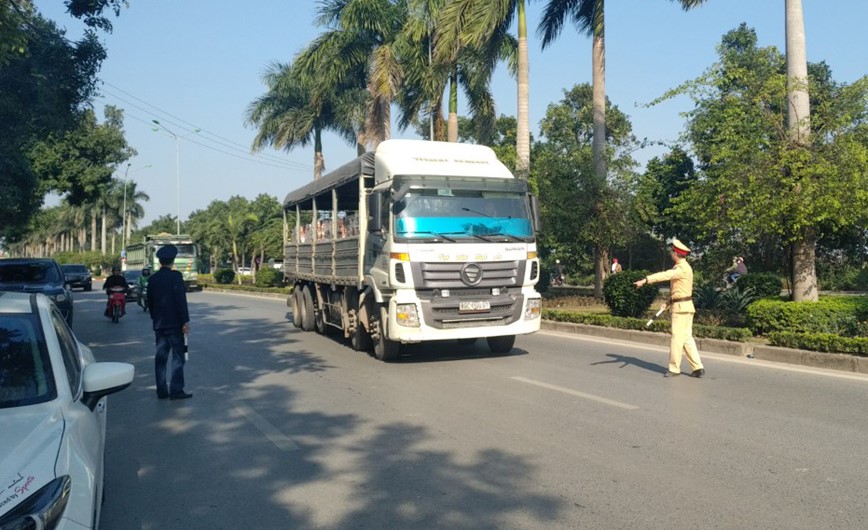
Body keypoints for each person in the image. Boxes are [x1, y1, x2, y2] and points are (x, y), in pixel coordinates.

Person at [633, 238, 705, 378]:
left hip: (681, 308)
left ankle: (674, 368)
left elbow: (664, 275)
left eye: (673, 252)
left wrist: (645, 280)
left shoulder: (681, 269)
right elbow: (679, 291)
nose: (671, 254)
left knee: (677, 338)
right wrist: (667, 302)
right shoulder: (684, 267)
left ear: (676, 254)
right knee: (686, 338)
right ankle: (698, 367)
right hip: (684, 306)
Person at [147, 245, 192, 400]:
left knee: (160, 359)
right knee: (178, 357)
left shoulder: (153, 279)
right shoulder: (176, 277)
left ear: (159, 261)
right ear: (172, 261)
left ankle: (161, 391)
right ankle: (176, 390)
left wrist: (155, 319)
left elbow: (150, 303)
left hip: (159, 325)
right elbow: (181, 301)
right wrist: (185, 321)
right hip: (175, 325)